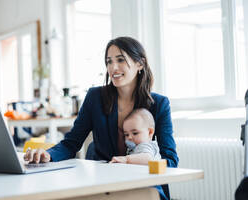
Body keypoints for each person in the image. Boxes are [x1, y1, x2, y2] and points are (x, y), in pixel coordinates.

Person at [24, 36, 179, 200]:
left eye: (120, 60)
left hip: (142, 184)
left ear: (140, 64)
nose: (113, 67)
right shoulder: (95, 97)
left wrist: (134, 162)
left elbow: (170, 160)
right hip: (103, 184)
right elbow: (71, 143)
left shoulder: (159, 104)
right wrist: (47, 155)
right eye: (109, 61)